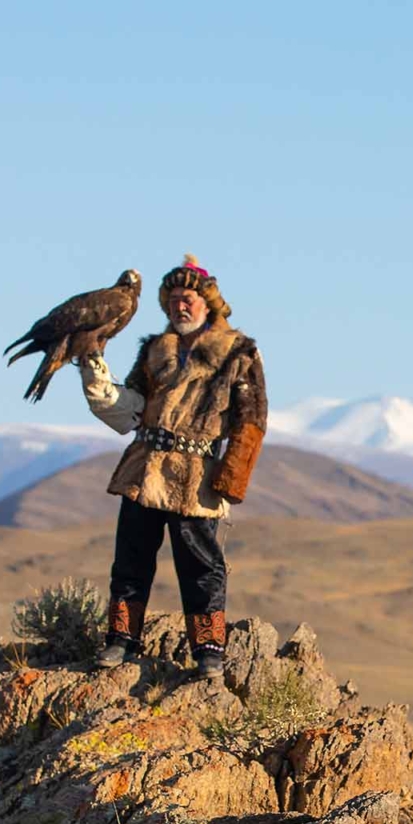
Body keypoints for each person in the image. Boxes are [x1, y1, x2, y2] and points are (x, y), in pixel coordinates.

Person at [73, 255, 268, 677]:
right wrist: (95, 376)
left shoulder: (239, 352)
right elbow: (134, 408)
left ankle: (209, 651)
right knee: (130, 559)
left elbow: (251, 421)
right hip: (145, 469)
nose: (181, 306)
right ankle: (121, 641)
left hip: (197, 477)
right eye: (174, 299)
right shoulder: (154, 350)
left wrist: (232, 479)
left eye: (189, 299)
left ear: (208, 304)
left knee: (202, 566)